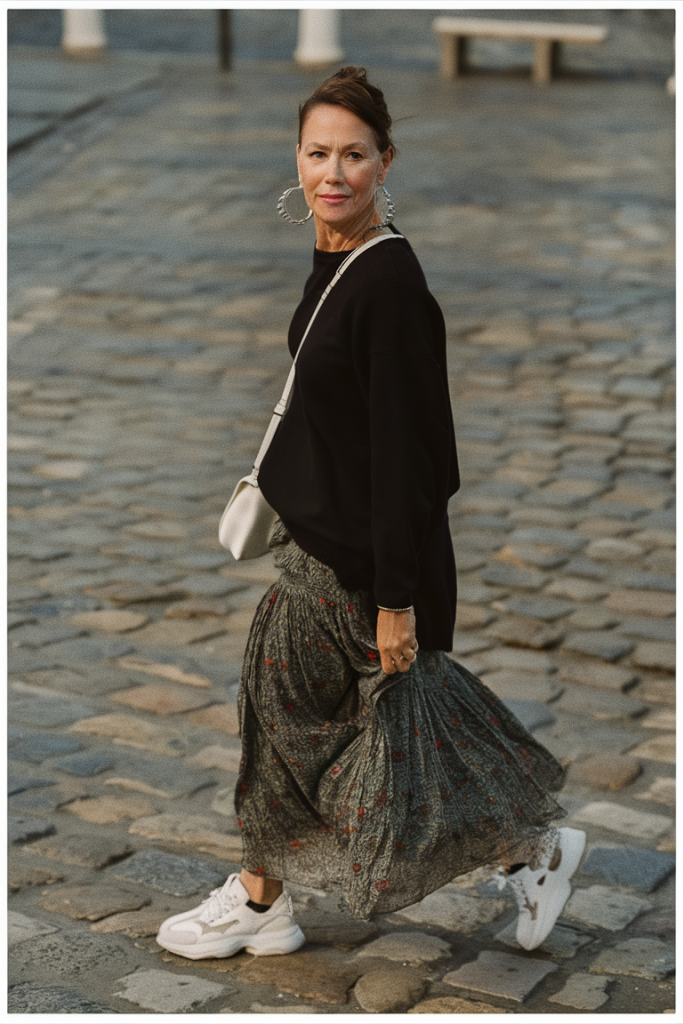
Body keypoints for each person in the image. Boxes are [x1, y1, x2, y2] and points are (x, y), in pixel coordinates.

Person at [156, 66, 585, 961]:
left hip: (348, 565)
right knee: (394, 719)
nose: (334, 172)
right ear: (297, 158)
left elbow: (408, 457)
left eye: (354, 155)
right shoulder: (342, 263)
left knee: (292, 712)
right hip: (336, 553)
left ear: (386, 161)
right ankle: (526, 845)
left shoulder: (385, 284)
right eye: (318, 154)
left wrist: (395, 598)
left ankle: (262, 899)